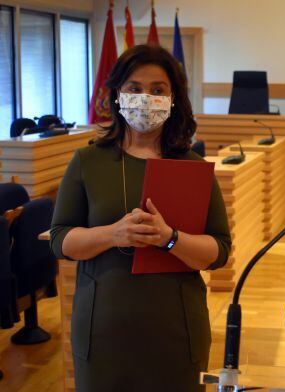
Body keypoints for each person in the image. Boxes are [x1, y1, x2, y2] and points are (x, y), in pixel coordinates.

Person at [50, 45, 231, 391]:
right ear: (117, 95)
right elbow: (60, 241)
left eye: (157, 90)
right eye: (134, 88)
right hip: (102, 332)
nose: (145, 97)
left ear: (173, 98)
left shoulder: (191, 167)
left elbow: (218, 250)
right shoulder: (87, 161)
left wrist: (170, 238)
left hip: (176, 333)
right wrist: (113, 234)